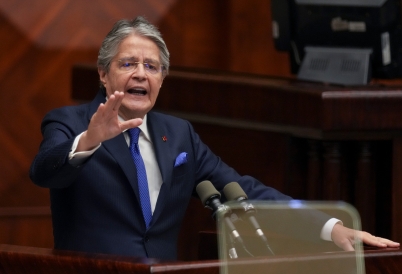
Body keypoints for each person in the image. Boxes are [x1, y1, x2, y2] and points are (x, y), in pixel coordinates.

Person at [29, 16, 399, 260]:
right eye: (128, 64)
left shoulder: (177, 135)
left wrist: (330, 227)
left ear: (161, 79)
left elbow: (244, 191)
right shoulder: (69, 121)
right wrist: (90, 140)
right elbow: (46, 171)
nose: (141, 74)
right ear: (103, 74)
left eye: (152, 66)